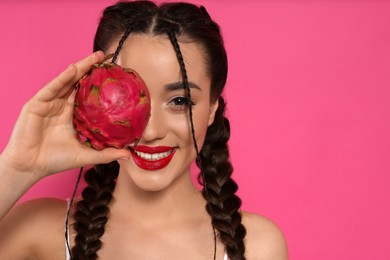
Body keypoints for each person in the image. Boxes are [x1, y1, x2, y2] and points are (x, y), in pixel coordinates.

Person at [0, 1, 288, 259]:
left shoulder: (259, 246)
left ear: (212, 107)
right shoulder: (37, 231)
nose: (150, 131)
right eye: (127, 97)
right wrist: (17, 167)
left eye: (179, 101)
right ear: (89, 98)